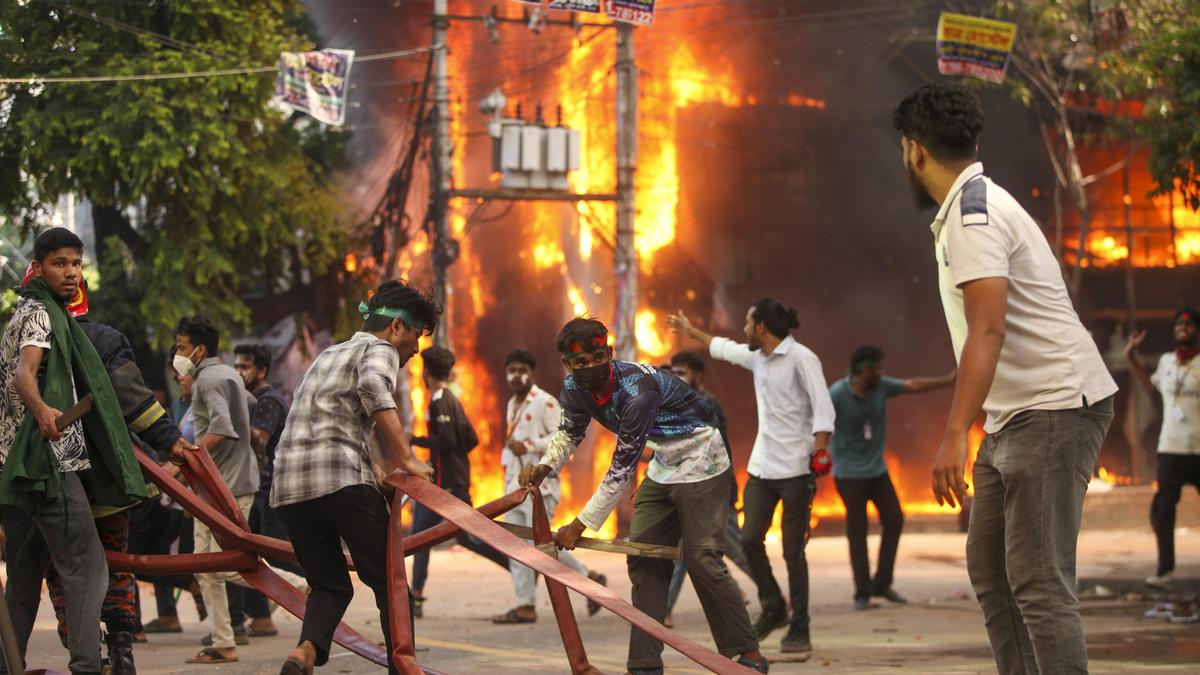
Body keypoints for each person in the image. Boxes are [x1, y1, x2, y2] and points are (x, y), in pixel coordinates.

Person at [895, 82, 1117, 674]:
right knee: (992, 573)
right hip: (1016, 413)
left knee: (1039, 581)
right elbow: (985, 337)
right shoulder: (972, 208)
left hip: (1054, 407)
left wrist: (952, 435)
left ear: (914, 151)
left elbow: (987, 331)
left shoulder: (976, 216)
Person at [520, 317, 768, 675]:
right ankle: (644, 666)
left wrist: (581, 524)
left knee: (703, 560)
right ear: (567, 364)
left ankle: (749, 655)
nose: (589, 368)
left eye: (595, 358)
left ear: (608, 353)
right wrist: (544, 466)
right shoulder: (573, 387)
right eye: (579, 363)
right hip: (664, 461)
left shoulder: (638, 390)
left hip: (702, 456)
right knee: (643, 558)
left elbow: (621, 468)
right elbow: (569, 433)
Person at [24, 269, 199, 674]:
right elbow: (135, 402)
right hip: (106, 482)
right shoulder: (104, 338)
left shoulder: (25, 341)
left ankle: (86, 657)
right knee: (115, 563)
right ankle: (122, 653)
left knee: (64, 570)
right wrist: (169, 440)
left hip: (52, 484)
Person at [269, 279, 437, 675]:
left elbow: (332, 422)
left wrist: (375, 469)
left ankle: (304, 654)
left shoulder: (328, 354)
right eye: (414, 339)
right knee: (392, 584)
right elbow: (373, 389)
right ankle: (404, 668)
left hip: (290, 488)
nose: (414, 351)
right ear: (396, 327)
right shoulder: (379, 348)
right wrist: (407, 458)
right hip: (339, 481)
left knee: (329, 585)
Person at [0, 228, 147, 675]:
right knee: (88, 571)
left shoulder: (21, 314)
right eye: (60, 263)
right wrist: (44, 410)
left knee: (23, 586)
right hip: (51, 466)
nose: (71, 273)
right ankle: (87, 667)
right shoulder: (42, 315)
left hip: (13, 473)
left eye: (77, 264)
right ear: (39, 268)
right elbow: (26, 373)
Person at [668, 300, 835, 654]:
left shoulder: (803, 359)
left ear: (761, 327)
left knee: (793, 551)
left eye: (746, 323)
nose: (742, 329)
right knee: (747, 540)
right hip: (762, 467)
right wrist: (690, 331)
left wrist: (821, 449)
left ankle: (800, 628)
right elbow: (724, 349)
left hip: (796, 470)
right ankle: (773, 604)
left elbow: (823, 409)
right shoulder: (758, 358)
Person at [174, 315, 306, 664]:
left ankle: (298, 586)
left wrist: (183, 460)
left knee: (220, 565)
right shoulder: (230, 375)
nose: (178, 354)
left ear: (199, 350)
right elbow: (244, 415)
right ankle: (224, 641)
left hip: (223, 486)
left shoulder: (206, 382)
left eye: (182, 347)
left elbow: (223, 428)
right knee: (209, 567)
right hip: (232, 482)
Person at [828, 345, 955, 610]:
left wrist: (949, 380)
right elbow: (819, 423)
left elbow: (911, 385)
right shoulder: (837, 394)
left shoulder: (881, 387)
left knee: (894, 519)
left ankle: (882, 583)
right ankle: (862, 592)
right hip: (849, 475)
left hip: (877, 471)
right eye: (879, 368)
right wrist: (819, 455)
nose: (883, 373)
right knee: (857, 532)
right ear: (865, 370)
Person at [491, 349, 606, 625]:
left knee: (539, 546)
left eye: (522, 370)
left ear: (532, 373)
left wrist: (528, 446)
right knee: (516, 546)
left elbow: (562, 438)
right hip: (514, 487)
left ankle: (586, 581)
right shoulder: (511, 404)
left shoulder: (545, 402)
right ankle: (525, 605)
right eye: (512, 370)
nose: (516, 375)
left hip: (541, 488)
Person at [409, 346, 510, 613]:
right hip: (448, 479)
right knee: (438, 535)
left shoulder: (440, 400)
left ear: (426, 372)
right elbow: (471, 439)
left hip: (448, 483)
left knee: (431, 535)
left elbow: (449, 440)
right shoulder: (452, 399)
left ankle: (516, 566)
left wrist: (413, 440)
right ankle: (415, 593)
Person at [663, 350, 753, 629]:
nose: (677, 378)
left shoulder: (706, 404)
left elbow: (715, 448)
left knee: (736, 550)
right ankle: (664, 609)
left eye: (682, 373)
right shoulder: (675, 402)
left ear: (698, 376)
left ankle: (770, 590)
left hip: (714, 488)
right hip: (687, 488)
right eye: (673, 373)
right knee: (683, 554)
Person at [1125, 307, 1200, 589]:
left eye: (1189, 325)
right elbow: (1150, 386)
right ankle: (1164, 571)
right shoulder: (1167, 362)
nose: (1183, 328)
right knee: (1163, 510)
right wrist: (1130, 355)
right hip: (1171, 449)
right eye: (1179, 324)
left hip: (1199, 449)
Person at [233, 343, 302, 637]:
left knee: (275, 552)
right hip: (262, 487)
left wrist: (232, 419)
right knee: (250, 554)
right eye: (236, 366)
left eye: (244, 367)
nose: (239, 372)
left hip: (270, 488)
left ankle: (317, 583)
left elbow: (259, 440)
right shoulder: (256, 399)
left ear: (261, 371)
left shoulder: (267, 401)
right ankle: (261, 618)